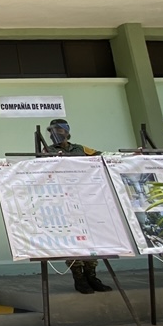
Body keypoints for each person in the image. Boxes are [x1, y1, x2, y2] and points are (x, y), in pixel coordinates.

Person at [43, 119, 113, 295]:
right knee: (73, 239)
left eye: (60, 130)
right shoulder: (47, 151)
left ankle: (92, 276)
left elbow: (102, 155)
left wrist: (129, 156)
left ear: (67, 132)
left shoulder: (80, 149)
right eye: (53, 132)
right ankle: (79, 278)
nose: (56, 134)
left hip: (85, 198)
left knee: (92, 238)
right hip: (64, 200)